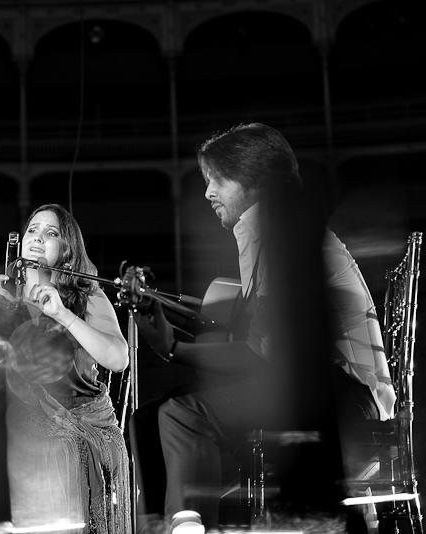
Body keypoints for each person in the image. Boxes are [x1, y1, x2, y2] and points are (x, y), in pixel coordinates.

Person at [134, 123, 395, 529]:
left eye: (216, 179)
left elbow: (264, 354)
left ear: (251, 177)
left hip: (343, 399)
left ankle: (188, 524)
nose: (207, 193)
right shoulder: (273, 230)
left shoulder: (267, 232)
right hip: (334, 390)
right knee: (154, 415)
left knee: (182, 414)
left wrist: (172, 348)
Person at [0, 203, 132, 533]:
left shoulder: (86, 295)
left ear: (68, 250)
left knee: (59, 449)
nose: (37, 238)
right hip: (25, 431)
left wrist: (64, 314)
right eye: (32, 231)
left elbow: (118, 359)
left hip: (84, 428)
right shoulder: (8, 296)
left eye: (51, 234)